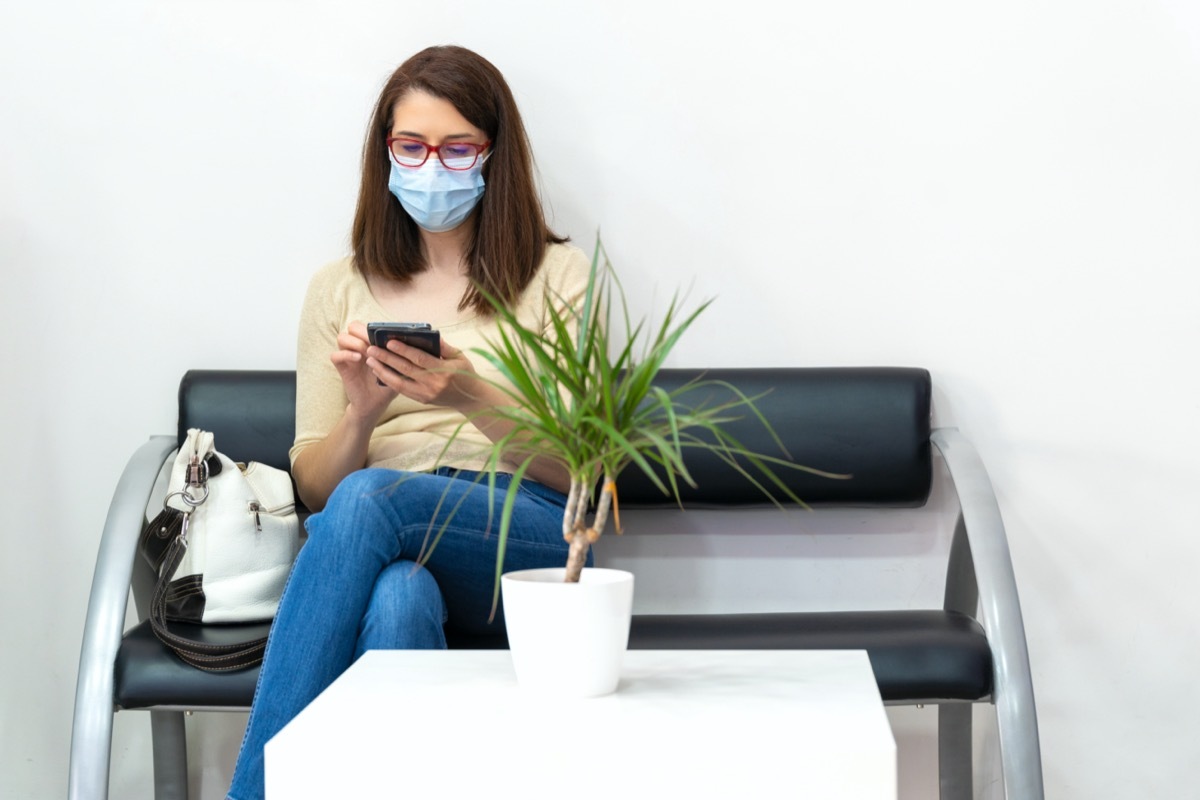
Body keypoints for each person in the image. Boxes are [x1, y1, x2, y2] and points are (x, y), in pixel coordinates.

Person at [226, 45, 590, 800]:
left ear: (495, 156)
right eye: (412, 146)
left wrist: (469, 397)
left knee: (372, 501)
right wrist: (362, 415)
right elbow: (318, 491)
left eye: (458, 148)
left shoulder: (559, 276)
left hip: (519, 529)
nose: (433, 166)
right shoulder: (339, 287)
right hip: (373, 536)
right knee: (397, 600)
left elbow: (585, 474)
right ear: (384, 154)